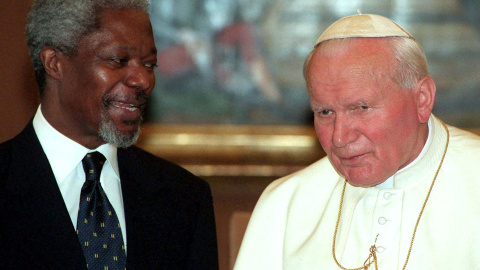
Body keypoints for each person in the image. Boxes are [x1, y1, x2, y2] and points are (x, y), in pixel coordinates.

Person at [234, 13, 480, 270]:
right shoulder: (284, 204)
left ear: (422, 99)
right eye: (325, 112)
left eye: (361, 107)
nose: (339, 137)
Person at [0, 0, 218, 269]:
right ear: (55, 63)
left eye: (149, 64)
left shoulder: (184, 199)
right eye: (118, 60)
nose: (142, 80)